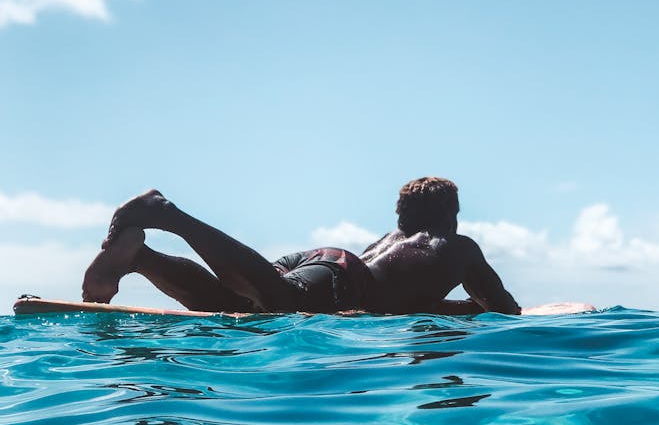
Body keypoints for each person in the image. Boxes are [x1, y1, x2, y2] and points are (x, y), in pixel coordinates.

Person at [81, 178, 521, 316]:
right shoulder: (457, 246)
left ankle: (141, 257)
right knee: (277, 301)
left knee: (232, 302)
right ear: (451, 212)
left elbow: (401, 300)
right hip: (346, 279)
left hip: (326, 262)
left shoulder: (390, 241)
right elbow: (502, 308)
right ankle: (165, 214)